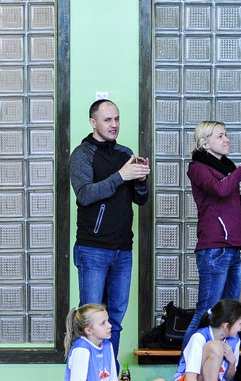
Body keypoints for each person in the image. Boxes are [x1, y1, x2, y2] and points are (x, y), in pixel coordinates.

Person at [69, 99, 150, 365]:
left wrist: (140, 180)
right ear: (93, 123)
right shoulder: (82, 154)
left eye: (117, 119)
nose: (114, 125)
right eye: (107, 120)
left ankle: (109, 377)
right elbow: (85, 194)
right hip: (92, 249)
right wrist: (121, 176)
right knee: (91, 319)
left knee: (114, 317)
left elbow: (140, 199)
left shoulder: (125, 153)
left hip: (123, 249)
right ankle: (87, 376)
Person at [181, 121, 241, 349]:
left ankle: (222, 369)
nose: (227, 139)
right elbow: (220, 190)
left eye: (226, 135)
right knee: (207, 311)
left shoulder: (226, 169)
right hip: (214, 248)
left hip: (232, 247)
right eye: (220, 136)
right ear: (205, 143)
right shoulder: (198, 168)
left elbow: (229, 205)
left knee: (229, 312)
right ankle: (185, 370)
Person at [64, 304, 167, 381]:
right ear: (89, 330)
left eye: (107, 321)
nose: (109, 325)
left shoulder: (108, 345)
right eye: (103, 323)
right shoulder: (81, 349)